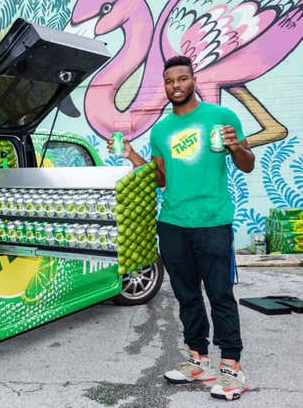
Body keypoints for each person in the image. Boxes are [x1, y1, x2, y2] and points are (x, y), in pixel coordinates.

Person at [108, 55, 255, 401]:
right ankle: (197, 359)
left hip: (212, 222)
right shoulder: (161, 131)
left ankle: (232, 368)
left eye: (182, 79)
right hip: (172, 223)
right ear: (166, 86)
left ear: (193, 80)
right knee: (186, 295)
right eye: (170, 81)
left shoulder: (221, 117)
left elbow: (247, 165)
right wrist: (131, 155)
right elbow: (160, 179)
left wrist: (235, 147)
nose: (176, 85)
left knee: (219, 294)